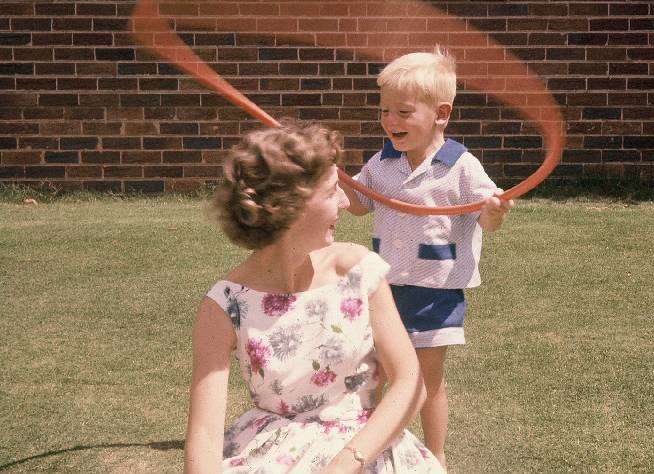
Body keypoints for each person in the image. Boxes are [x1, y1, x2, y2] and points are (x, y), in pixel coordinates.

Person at [184, 119, 445, 473]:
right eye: (333, 190)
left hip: (366, 452)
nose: (344, 202)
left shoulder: (358, 271)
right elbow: (204, 436)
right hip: (271, 457)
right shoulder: (225, 305)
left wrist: (344, 464)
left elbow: (410, 382)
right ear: (290, 206)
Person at [342, 46, 514, 470]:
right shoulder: (382, 162)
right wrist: (339, 180)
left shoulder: (461, 166)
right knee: (376, 373)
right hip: (384, 288)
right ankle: (366, 448)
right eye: (385, 111)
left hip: (435, 291)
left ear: (441, 114)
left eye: (403, 112)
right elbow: (360, 205)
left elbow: (486, 218)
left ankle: (436, 454)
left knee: (426, 380)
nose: (391, 121)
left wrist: (494, 212)